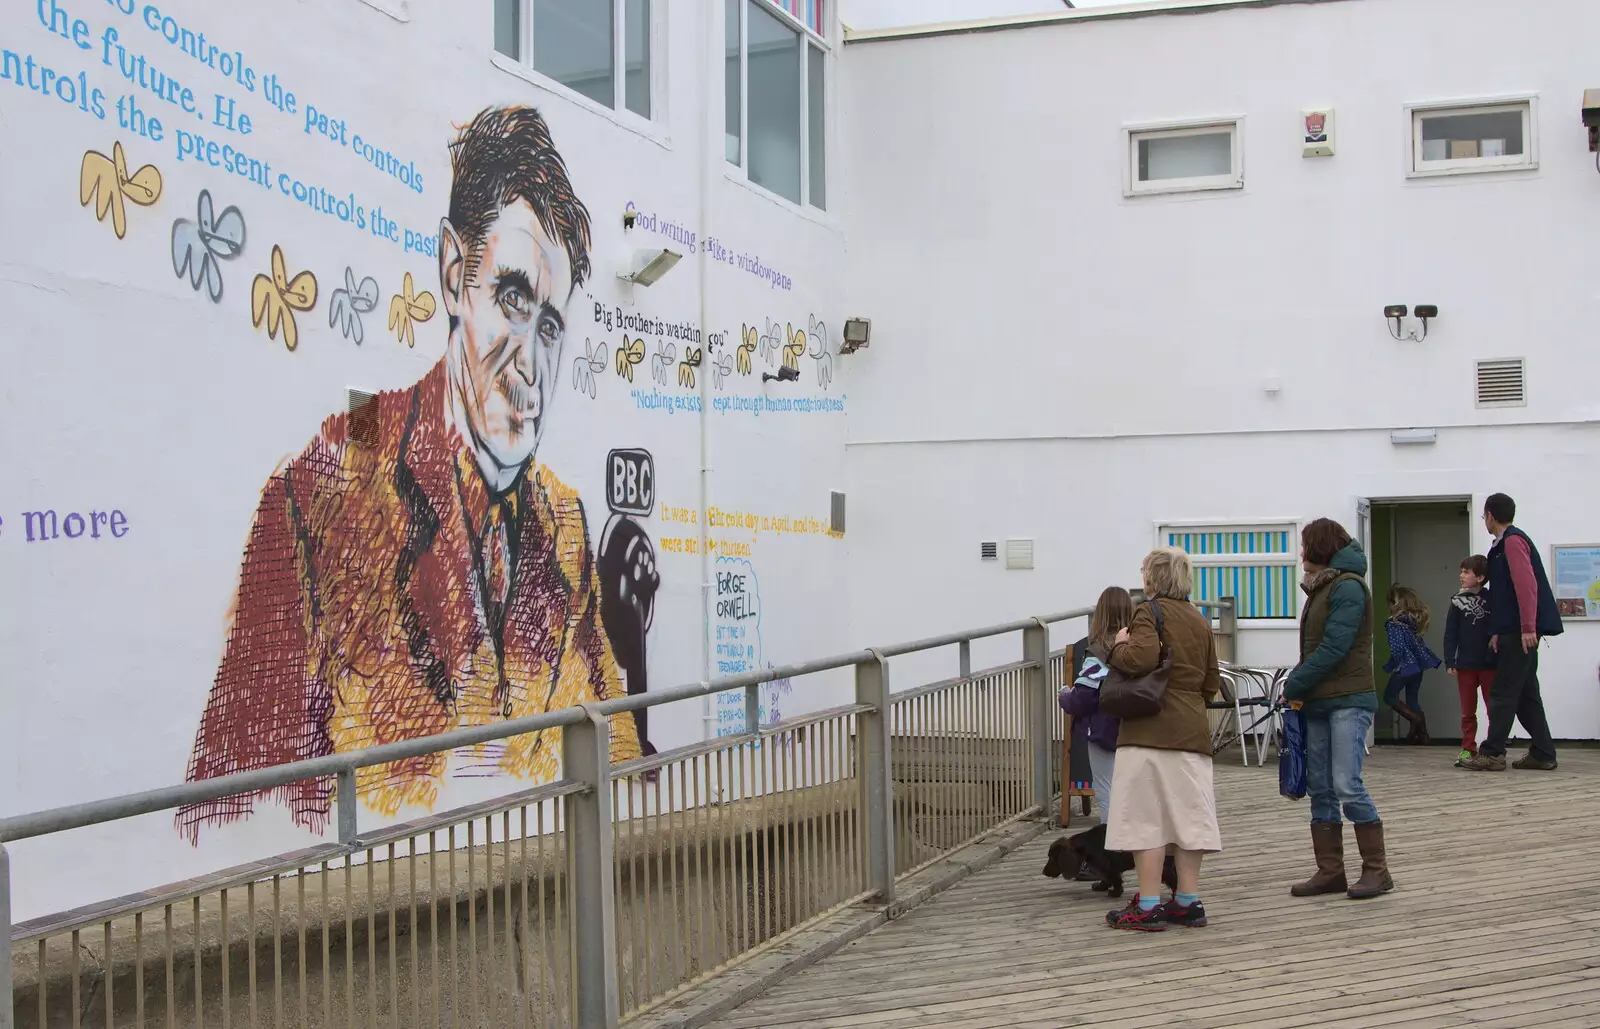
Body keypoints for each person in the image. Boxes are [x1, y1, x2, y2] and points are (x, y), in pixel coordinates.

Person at [178, 106, 642, 842]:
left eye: (549, 325)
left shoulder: (565, 526)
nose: (531, 364)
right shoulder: (322, 493)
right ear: (455, 274)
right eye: (513, 299)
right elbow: (227, 816)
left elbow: (618, 763)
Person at [1102, 549, 1222, 931]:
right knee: (1189, 819)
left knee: (1146, 819)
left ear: (1154, 578)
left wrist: (1118, 644)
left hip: (1148, 732)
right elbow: (1211, 683)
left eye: (1144, 571)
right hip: (1191, 732)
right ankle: (1187, 900)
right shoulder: (1199, 621)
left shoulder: (1147, 612)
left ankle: (1149, 904)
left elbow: (1139, 660)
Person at [1282, 518, 1393, 900]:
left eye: (1304, 545)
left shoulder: (1347, 587)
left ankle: (1377, 871)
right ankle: (1330, 871)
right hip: (1320, 701)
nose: (1300, 553)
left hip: (1349, 699)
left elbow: (1334, 647)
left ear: (1320, 547)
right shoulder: (1325, 587)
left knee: (1347, 783)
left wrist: (1294, 683)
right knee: (1321, 787)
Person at [1460, 494, 1564, 772]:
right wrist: (1497, 630)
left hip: (1520, 633)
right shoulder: (1503, 545)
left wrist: (1528, 627)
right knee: (1526, 695)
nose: (1485, 521)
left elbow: (1525, 586)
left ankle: (1492, 753)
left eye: (1484, 516)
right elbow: (1505, 594)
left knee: (1504, 691)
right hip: (1513, 630)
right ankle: (1543, 753)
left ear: (1491, 516)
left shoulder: (1513, 542)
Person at [1062, 587, 1135, 821]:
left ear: (1101, 614)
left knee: (1107, 792)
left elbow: (1084, 698)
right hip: (1137, 727)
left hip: (1105, 731)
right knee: (1134, 794)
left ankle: (1112, 849)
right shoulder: (1141, 646)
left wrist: (1064, 696)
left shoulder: (1098, 651)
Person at [1443, 555, 1496, 766]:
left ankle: (1493, 748)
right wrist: (1450, 661)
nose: (1461, 576)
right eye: (1462, 571)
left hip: (1489, 664)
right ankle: (1467, 749)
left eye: (1467, 572)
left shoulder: (1492, 599)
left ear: (1481, 577)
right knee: (1467, 711)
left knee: (1493, 708)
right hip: (1465, 664)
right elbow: (1451, 633)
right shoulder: (1456, 601)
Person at [1381, 586, 1441, 744]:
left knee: (1389, 696)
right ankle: (1423, 736)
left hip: (1404, 666)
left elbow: (1398, 649)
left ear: (1395, 603)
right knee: (1412, 699)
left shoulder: (1394, 623)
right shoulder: (1412, 622)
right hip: (1418, 667)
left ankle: (1415, 720)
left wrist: (1391, 664)